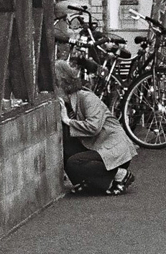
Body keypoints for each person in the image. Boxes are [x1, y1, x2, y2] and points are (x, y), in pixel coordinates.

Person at [55, 59, 138, 195]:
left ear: (61, 84)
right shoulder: (67, 103)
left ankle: (119, 174)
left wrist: (68, 120)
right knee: (65, 149)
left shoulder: (87, 97)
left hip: (113, 150)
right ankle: (94, 183)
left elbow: (94, 127)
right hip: (95, 146)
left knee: (74, 163)